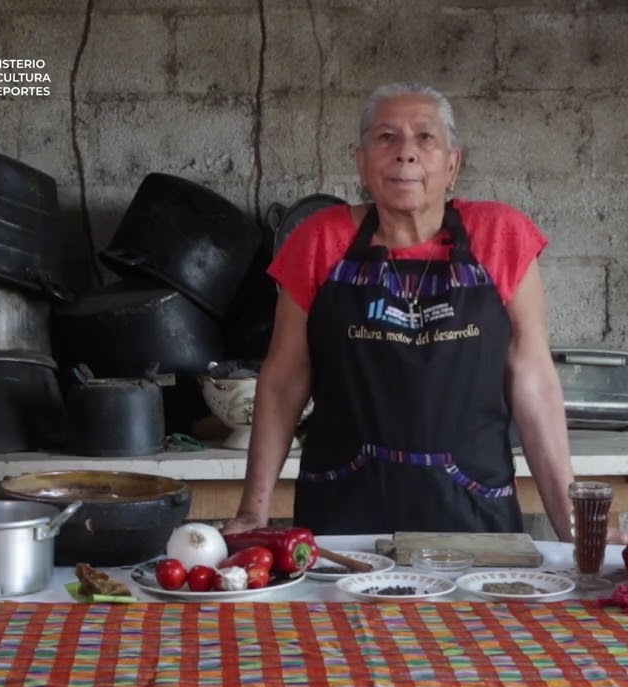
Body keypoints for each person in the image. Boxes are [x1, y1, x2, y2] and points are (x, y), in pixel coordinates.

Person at [222, 81, 582, 542]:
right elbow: (283, 380)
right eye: (386, 137)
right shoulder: (319, 240)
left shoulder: (501, 236)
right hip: (342, 517)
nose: (405, 153)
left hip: (473, 517)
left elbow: (532, 380)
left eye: (425, 138)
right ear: (361, 163)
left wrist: (573, 526)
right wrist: (254, 512)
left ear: (453, 165)